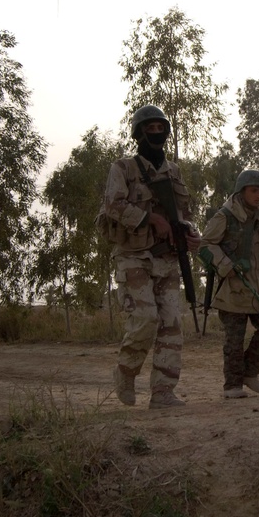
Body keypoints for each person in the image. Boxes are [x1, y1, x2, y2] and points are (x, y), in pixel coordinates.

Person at [99, 104, 200, 409]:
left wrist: (189, 231)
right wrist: (148, 218)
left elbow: (185, 211)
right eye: (150, 128)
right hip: (134, 256)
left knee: (171, 325)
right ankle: (125, 373)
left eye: (161, 128)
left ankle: (163, 392)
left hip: (167, 258)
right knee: (145, 320)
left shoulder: (174, 172)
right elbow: (112, 207)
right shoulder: (123, 169)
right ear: (138, 133)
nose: (156, 133)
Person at [198, 169, 259, 399]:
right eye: (254, 190)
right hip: (234, 286)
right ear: (241, 191)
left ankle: (249, 373)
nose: (258, 195)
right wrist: (226, 265)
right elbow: (205, 245)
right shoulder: (225, 216)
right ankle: (232, 385)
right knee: (234, 339)